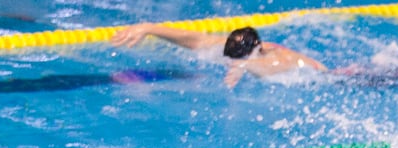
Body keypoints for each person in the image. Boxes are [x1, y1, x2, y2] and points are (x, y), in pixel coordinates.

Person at [112, 23, 325, 86]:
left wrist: (243, 67)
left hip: (331, 79)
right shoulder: (235, 49)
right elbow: (195, 40)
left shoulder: (283, 57)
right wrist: (149, 28)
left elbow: (271, 67)